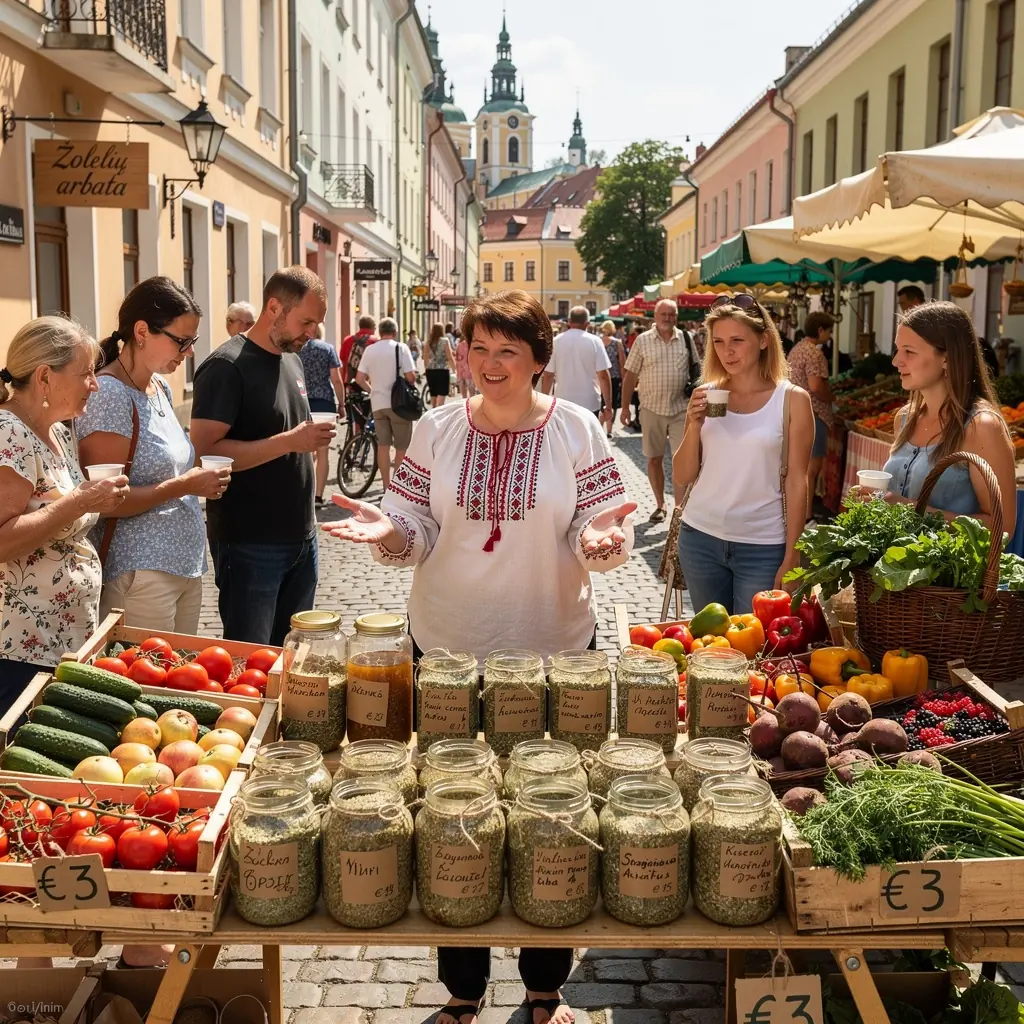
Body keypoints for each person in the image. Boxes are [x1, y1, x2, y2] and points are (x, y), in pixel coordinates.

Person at [323, 289, 635, 1024]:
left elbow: (600, 519)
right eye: (478, 348)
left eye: (508, 351)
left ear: (537, 361)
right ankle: (462, 991)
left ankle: (544, 988)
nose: (489, 365)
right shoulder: (435, 429)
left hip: (554, 647)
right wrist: (390, 537)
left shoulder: (577, 429)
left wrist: (604, 543)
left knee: (550, 813)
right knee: (449, 811)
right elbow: (413, 527)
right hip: (448, 650)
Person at [76, 277, 228, 634]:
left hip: (181, 565)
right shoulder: (109, 394)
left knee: (178, 682)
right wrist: (183, 485)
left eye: (193, 341)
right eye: (181, 340)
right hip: (140, 571)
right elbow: (104, 501)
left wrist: (197, 480)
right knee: (146, 684)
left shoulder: (158, 386)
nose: (188, 351)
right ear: (142, 331)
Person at [190, 267, 332, 646]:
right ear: (274, 307)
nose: (311, 333)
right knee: (250, 662)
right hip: (250, 543)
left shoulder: (292, 358)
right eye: (305, 321)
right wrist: (289, 441)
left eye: (316, 324)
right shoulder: (226, 366)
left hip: (302, 538)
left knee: (293, 659)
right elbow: (205, 453)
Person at [0, 317, 127, 708]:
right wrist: (81, 501)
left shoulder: (55, 429)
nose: (95, 383)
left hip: (61, 637)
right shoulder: (9, 433)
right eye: (85, 373)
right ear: (44, 378)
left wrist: (94, 499)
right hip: (20, 649)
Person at [673, 295, 814, 613]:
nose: (727, 351)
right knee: (712, 647)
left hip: (762, 546)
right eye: (719, 341)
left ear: (764, 340)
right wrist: (694, 425)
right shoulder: (708, 395)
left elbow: (797, 481)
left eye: (738, 340)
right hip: (699, 538)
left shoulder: (791, 400)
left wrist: (792, 554)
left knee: (755, 651)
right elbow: (682, 477)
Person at [850, 302, 1016, 537]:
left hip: (951, 572)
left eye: (909, 351)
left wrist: (910, 510)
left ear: (946, 359)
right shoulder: (905, 419)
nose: (896, 361)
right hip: (893, 570)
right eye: (897, 350)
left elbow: (1002, 529)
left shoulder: (981, 427)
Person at [620, 299, 696, 522]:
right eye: (664, 314)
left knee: (681, 458)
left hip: (681, 408)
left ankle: (679, 510)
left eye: (672, 315)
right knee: (654, 459)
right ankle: (660, 504)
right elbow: (630, 376)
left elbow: (697, 370)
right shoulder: (643, 341)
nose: (668, 319)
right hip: (651, 408)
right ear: (655, 316)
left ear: (677, 317)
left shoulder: (686, 338)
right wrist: (625, 408)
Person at [354, 317, 417, 491]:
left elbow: (359, 378)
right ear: (395, 332)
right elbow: (411, 376)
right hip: (399, 405)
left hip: (378, 404)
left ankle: (386, 485)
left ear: (380, 332)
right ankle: (397, 488)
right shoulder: (401, 348)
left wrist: (373, 389)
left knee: (383, 445)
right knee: (401, 446)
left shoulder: (370, 350)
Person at [787, 311, 835, 523]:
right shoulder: (814, 354)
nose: (830, 336)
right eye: (829, 331)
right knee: (810, 469)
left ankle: (794, 513)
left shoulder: (797, 349)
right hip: (813, 414)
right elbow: (816, 386)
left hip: (794, 412)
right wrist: (832, 397)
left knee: (797, 466)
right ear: (820, 330)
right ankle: (806, 518)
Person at [540, 306, 612, 429]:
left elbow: (548, 375)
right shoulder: (595, 341)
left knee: (564, 442)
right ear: (587, 323)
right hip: (589, 401)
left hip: (562, 401)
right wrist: (609, 406)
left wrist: (543, 403)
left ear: (569, 321)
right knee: (588, 441)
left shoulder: (556, 341)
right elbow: (603, 376)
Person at [299, 324, 346, 506]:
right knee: (323, 450)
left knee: (305, 448)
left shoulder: (297, 350)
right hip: (324, 402)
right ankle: (318, 495)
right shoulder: (327, 349)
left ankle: (306, 492)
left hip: (302, 400)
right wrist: (341, 403)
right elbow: (336, 378)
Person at [600, 319, 627, 438]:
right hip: (614, 377)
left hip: (599, 376)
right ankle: (609, 430)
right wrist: (623, 378)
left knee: (601, 402)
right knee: (612, 403)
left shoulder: (598, 341)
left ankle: (599, 427)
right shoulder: (617, 343)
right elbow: (622, 362)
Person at [424, 322, 455, 407]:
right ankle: (439, 410)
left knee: (433, 393)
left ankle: (433, 410)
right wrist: (454, 369)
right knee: (441, 393)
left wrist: (426, 368)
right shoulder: (445, 341)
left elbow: (425, 358)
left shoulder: (428, 342)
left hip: (430, 371)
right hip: (442, 370)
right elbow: (450, 357)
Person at [341, 316, 377, 386]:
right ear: (373, 327)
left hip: (349, 383)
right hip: (368, 384)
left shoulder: (347, 340)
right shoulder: (375, 341)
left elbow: (342, 360)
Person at [454, 329, 475, 399]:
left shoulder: (460, 345)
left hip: (461, 368)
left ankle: (464, 401)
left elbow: (456, 357)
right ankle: (471, 402)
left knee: (463, 386)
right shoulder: (472, 345)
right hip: (470, 368)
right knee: (471, 388)